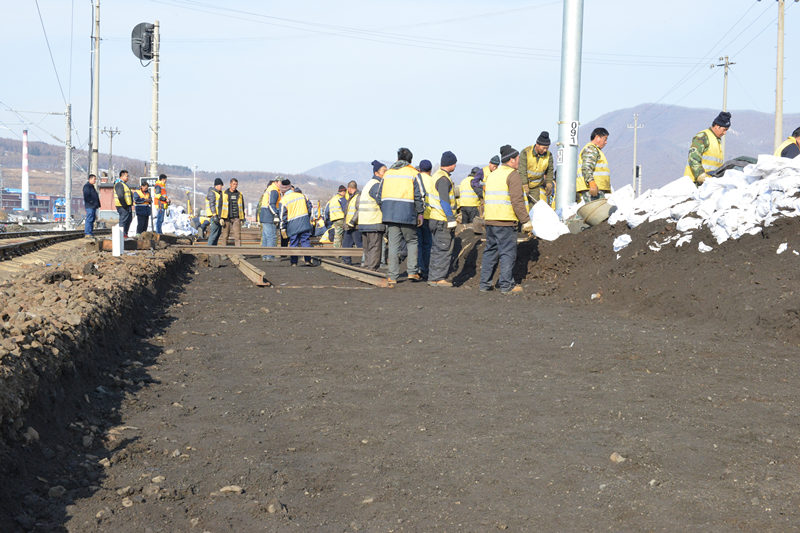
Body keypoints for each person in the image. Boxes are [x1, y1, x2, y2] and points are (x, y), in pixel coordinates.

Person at [479, 145, 531, 295]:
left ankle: (484, 284)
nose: (519, 162)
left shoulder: (492, 174)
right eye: (518, 159)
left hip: (490, 220)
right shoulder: (513, 175)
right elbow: (517, 200)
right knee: (507, 252)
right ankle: (506, 285)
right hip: (505, 220)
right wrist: (526, 220)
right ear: (511, 160)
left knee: (490, 251)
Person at [376, 147, 424, 286]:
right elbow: (419, 195)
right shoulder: (414, 173)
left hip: (390, 214)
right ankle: (412, 271)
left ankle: (392, 276)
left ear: (397, 159)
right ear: (410, 160)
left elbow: (379, 196)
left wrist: (385, 209)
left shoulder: (388, 173)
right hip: (408, 213)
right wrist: (420, 213)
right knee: (412, 241)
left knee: (393, 244)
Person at [427, 151, 458, 287]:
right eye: (455, 163)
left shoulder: (436, 176)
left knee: (436, 249)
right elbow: (444, 201)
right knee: (444, 250)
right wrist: (451, 218)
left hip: (434, 218)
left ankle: (433, 277)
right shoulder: (443, 180)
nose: (456, 165)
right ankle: (438, 279)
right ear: (451, 164)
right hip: (442, 219)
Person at [684, 112, 730, 185]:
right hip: (695, 183)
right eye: (724, 129)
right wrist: (700, 175)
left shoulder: (716, 141)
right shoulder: (702, 137)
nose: (725, 133)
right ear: (717, 126)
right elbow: (693, 158)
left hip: (708, 184)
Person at [358, 160, 385, 271]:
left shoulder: (368, 184)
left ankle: (368, 268)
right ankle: (372, 270)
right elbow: (381, 200)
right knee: (374, 247)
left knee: (368, 248)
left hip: (364, 222)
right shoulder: (376, 185)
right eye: (384, 171)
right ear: (376, 173)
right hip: (373, 221)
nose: (386, 173)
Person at [280, 186, 314, 266]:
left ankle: (294, 262)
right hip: (304, 223)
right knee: (305, 242)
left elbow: (283, 216)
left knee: (293, 243)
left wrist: (283, 227)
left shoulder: (285, 199)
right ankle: (307, 260)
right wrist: (306, 217)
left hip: (292, 224)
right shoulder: (303, 196)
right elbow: (309, 207)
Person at [576, 127, 612, 203]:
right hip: (592, 188)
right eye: (605, 139)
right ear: (597, 137)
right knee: (595, 212)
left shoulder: (595, 150)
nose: (606, 142)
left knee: (594, 211)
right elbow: (586, 167)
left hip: (595, 187)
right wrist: (591, 183)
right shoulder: (591, 149)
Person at [520, 131, 555, 204]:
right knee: (522, 205)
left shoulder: (549, 155)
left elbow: (550, 171)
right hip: (523, 184)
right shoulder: (526, 152)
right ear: (537, 145)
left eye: (547, 148)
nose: (545, 150)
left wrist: (549, 183)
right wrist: (524, 184)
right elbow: (522, 170)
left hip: (535, 186)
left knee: (534, 207)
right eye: (543, 148)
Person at [416, 159, 435, 280]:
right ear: (430, 170)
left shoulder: (416, 179)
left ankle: (418, 268)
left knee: (418, 244)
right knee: (428, 244)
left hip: (418, 216)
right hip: (430, 216)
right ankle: (427, 269)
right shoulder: (433, 180)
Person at [256, 178, 282, 260]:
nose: (282, 185)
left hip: (264, 216)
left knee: (266, 237)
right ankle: (270, 256)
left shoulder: (269, 189)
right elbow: (271, 204)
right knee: (271, 236)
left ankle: (265, 256)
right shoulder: (274, 190)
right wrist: (275, 214)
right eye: (281, 183)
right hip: (269, 216)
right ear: (276, 182)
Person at [342, 180, 363, 265]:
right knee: (346, 244)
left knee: (359, 244)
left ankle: (366, 261)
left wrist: (352, 221)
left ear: (350, 188)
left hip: (355, 226)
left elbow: (359, 210)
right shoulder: (351, 197)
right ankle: (346, 261)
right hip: (349, 226)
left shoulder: (358, 197)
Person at [220, 177, 245, 246]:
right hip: (226, 218)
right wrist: (220, 218)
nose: (235, 186)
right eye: (233, 184)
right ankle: (223, 254)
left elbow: (242, 206)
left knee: (237, 236)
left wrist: (243, 218)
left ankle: (238, 254)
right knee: (225, 236)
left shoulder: (239, 194)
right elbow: (220, 206)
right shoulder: (224, 193)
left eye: (236, 184)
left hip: (236, 218)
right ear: (230, 184)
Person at [324, 185, 348, 249]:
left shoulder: (332, 199)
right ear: (343, 192)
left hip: (334, 220)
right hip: (341, 219)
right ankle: (344, 250)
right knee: (346, 234)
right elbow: (346, 209)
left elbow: (326, 212)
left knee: (337, 235)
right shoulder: (341, 198)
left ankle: (336, 250)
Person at [114, 170, 133, 238]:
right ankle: (121, 235)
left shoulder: (124, 184)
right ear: (122, 176)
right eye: (126, 176)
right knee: (123, 221)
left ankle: (125, 234)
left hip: (127, 206)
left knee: (128, 220)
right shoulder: (119, 184)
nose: (128, 177)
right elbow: (120, 196)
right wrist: (124, 205)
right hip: (122, 206)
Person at [205, 178, 224, 245]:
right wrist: (214, 215)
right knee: (213, 234)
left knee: (217, 233)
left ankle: (213, 250)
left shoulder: (218, 193)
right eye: (220, 185)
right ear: (216, 185)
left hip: (218, 216)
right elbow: (212, 205)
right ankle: (209, 250)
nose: (221, 187)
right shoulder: (212, 193)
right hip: (214, 216)